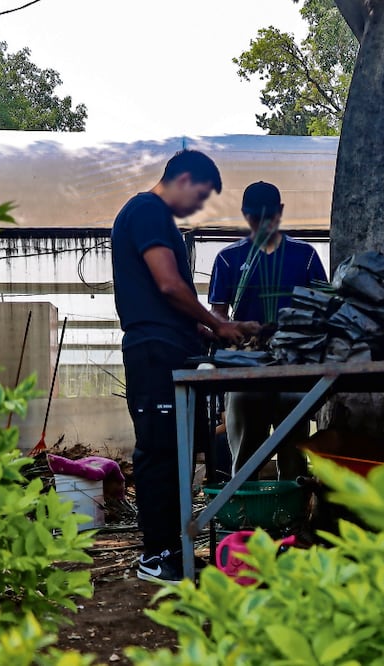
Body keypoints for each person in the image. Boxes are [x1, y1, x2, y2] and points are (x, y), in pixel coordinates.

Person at [112, 150, 259, 584]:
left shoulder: (152, 217)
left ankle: (174, 549)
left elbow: (167, 299)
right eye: (199, 196)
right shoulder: (147, 212)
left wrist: (213, 331)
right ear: (184, 178)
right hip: (153, 352)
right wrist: (215, 321)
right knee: (158, 453)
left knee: (175, 454)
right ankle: (156, 556)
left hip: (168, 347)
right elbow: (168, 284)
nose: (197, 207)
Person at [208, 181, 327, 479]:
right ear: (245, 215)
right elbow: (217, 318)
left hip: (294, 371)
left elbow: (324, 310)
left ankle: (292, 518)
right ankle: (249, 517)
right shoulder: (228, 259)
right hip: (247, 373)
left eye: (268, 216)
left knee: (295, 457)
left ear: (280, 212)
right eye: (255, 217)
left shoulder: (306, 256)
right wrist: (236, 331)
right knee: (246, 457)